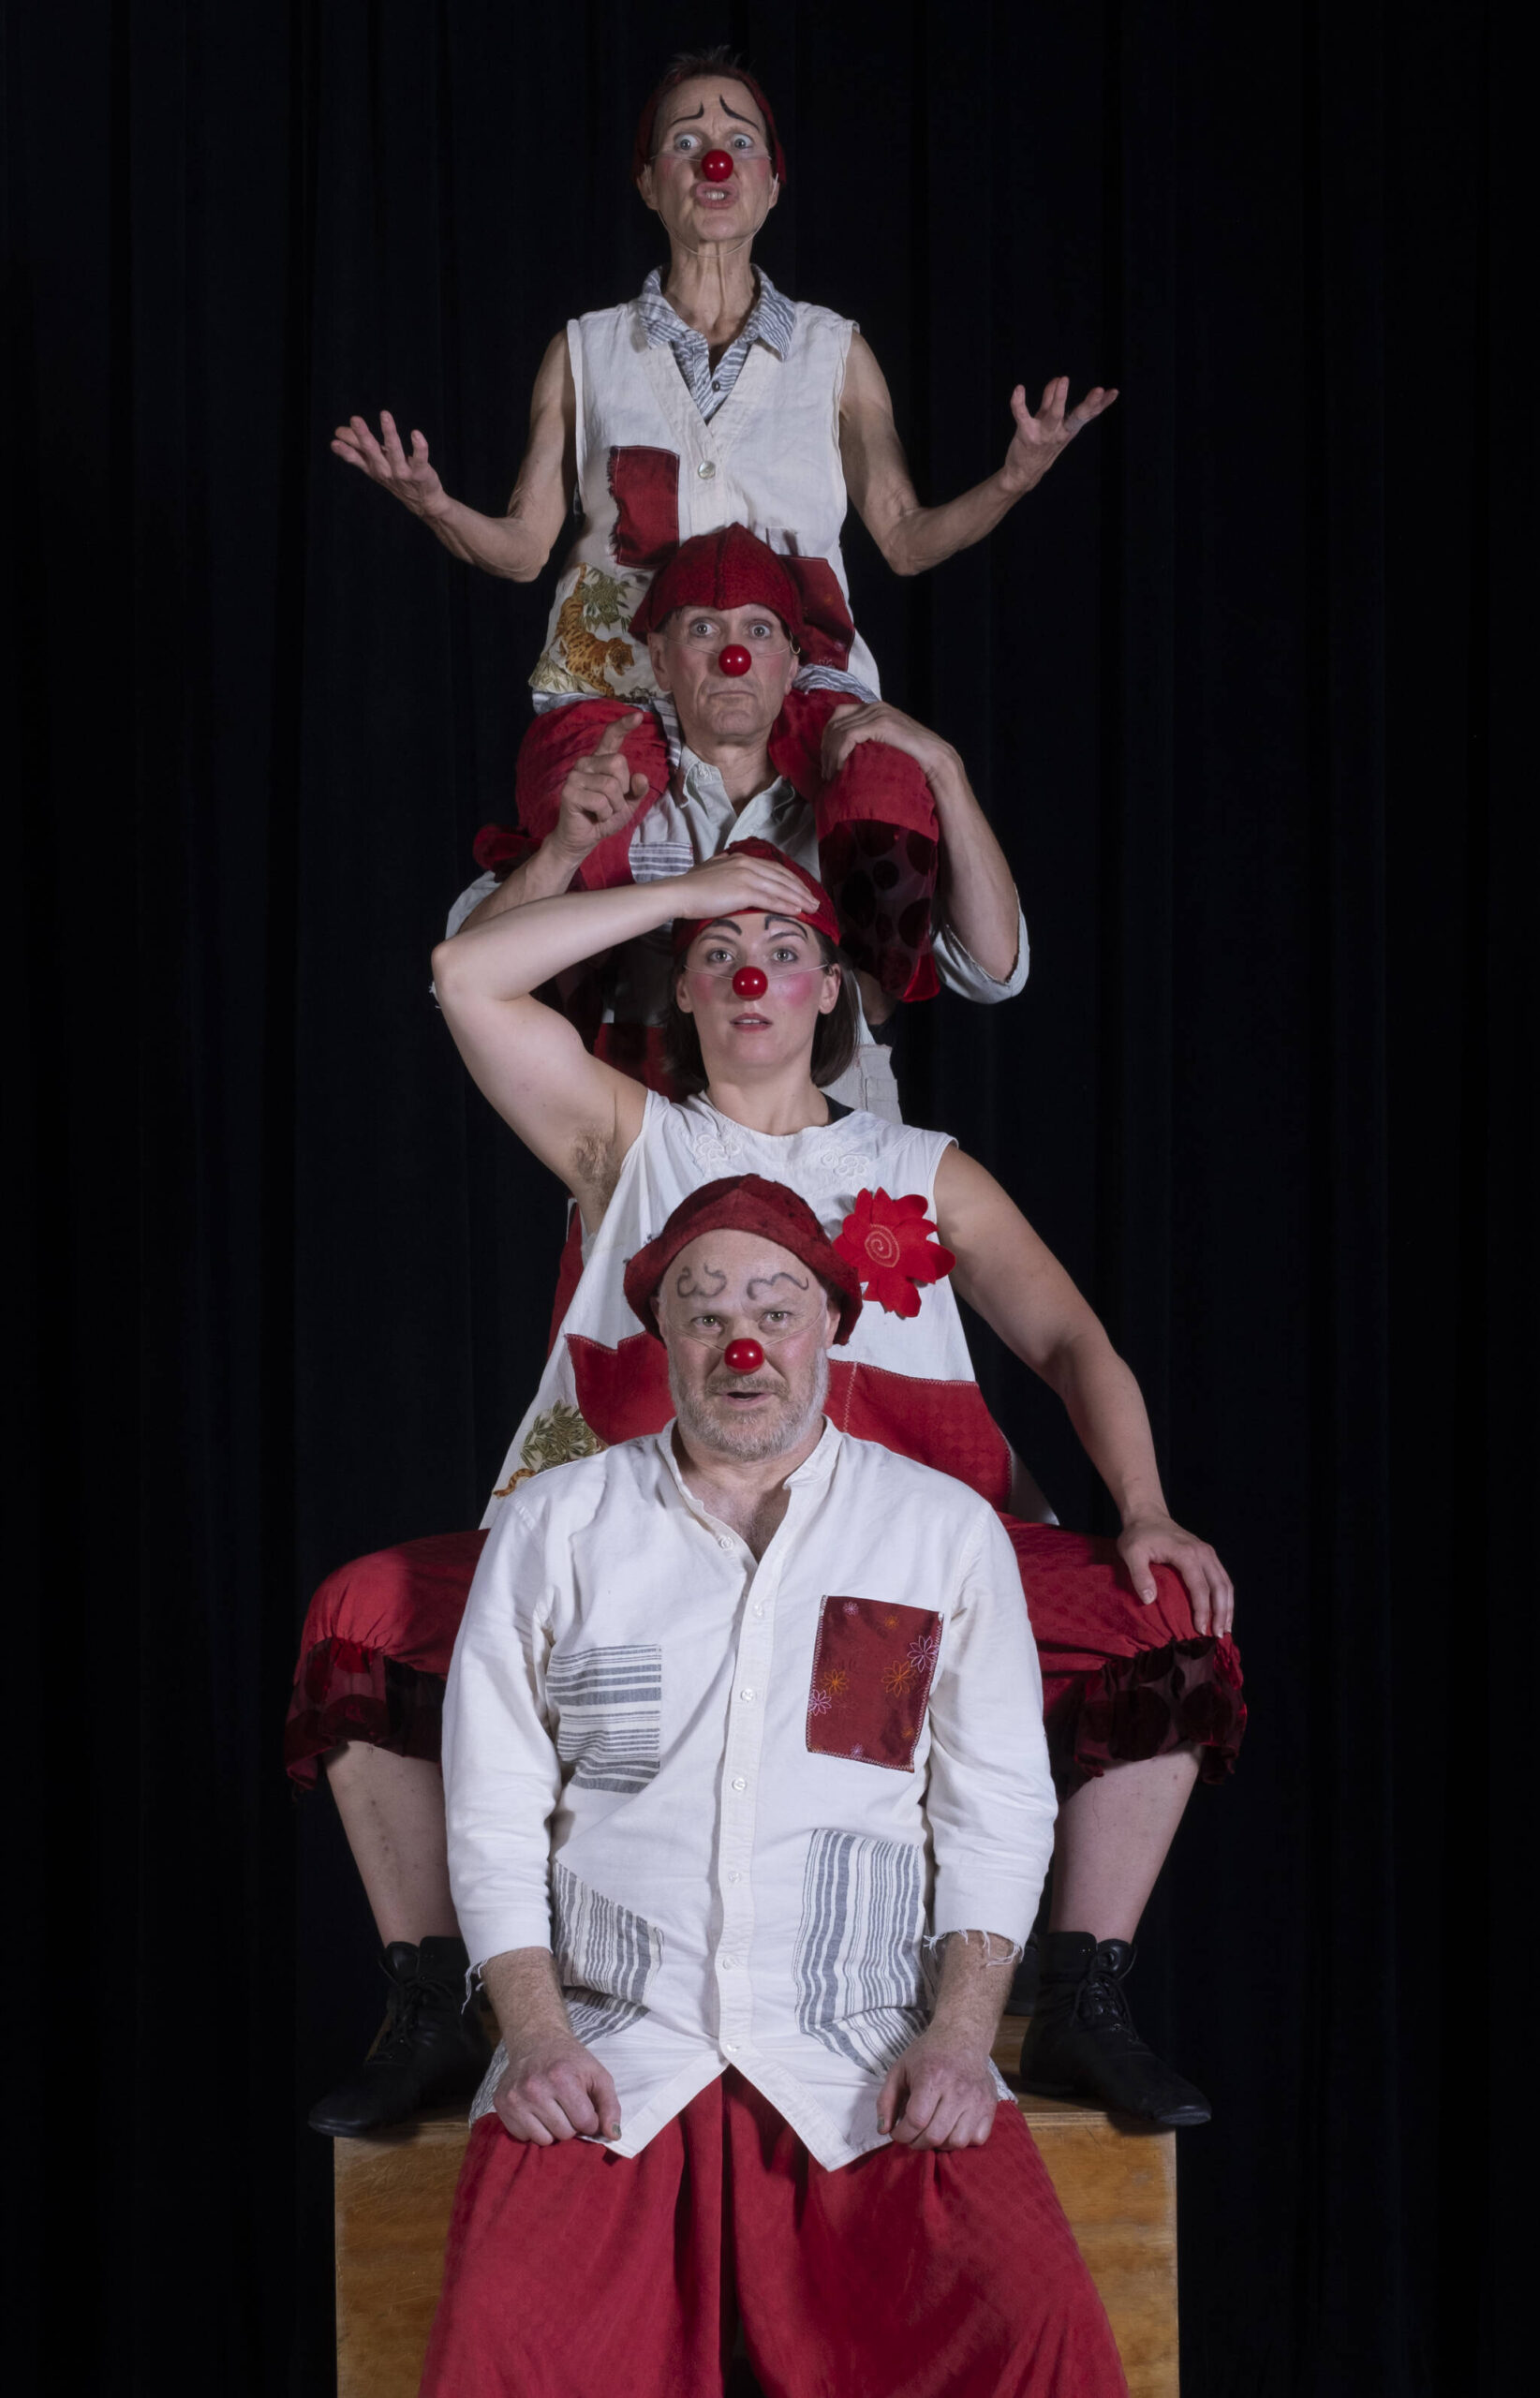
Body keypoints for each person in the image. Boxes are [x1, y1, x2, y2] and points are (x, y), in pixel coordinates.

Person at [289, 843, 1244, 2138]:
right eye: (718, 957)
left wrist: (1141, 1507)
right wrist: (692, 890)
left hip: (885, 1563)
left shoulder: (922, 1167)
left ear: (832, 989)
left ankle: (1084, 1988)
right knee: (357, 1611)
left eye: (784, 952)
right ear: (681, 992)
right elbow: (465, 974)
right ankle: (427, 2003)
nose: (752, 974)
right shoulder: (630, 1135)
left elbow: (1074, 1345)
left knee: (1171, 1617)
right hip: (642, 1548)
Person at [422, 1175, 1128, 2398]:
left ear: (832, 1326)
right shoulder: (558, 1526)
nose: (741, 1339)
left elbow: (997, 1809)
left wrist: (961, 2041)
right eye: (702, 1310)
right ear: (664, 1341)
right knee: (500, 2342)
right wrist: (534, 2038)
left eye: (775, 1304)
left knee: (1041, 2335)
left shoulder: (938, 1533)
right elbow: (491, 1807)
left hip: (864, 2060)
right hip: (613, 2058)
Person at [332, 47, 1116, 1000]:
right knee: (581, 832)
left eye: (740, 142)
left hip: (800, 681)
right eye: (687, 141)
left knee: (881, 794)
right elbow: (526, 545)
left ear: (773, 182)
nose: (716, 159)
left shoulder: (835, 354)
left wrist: (1012, 480)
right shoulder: (585, 352)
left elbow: (905, 535)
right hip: (616, 683)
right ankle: (608, 1052)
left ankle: (853, 1010)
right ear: (649, 180)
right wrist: (435, 505)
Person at [446, 520, 1029, 1128]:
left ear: (793, 662)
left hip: (838, 1145)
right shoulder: (609, 790)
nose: (735, 657)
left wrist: (947, 769)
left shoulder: (853, 798)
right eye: (703, 629)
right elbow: (464, 970)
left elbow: (994, 972)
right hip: (646, 1137)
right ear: (661, 662)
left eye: (759, 629)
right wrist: (564, 852)